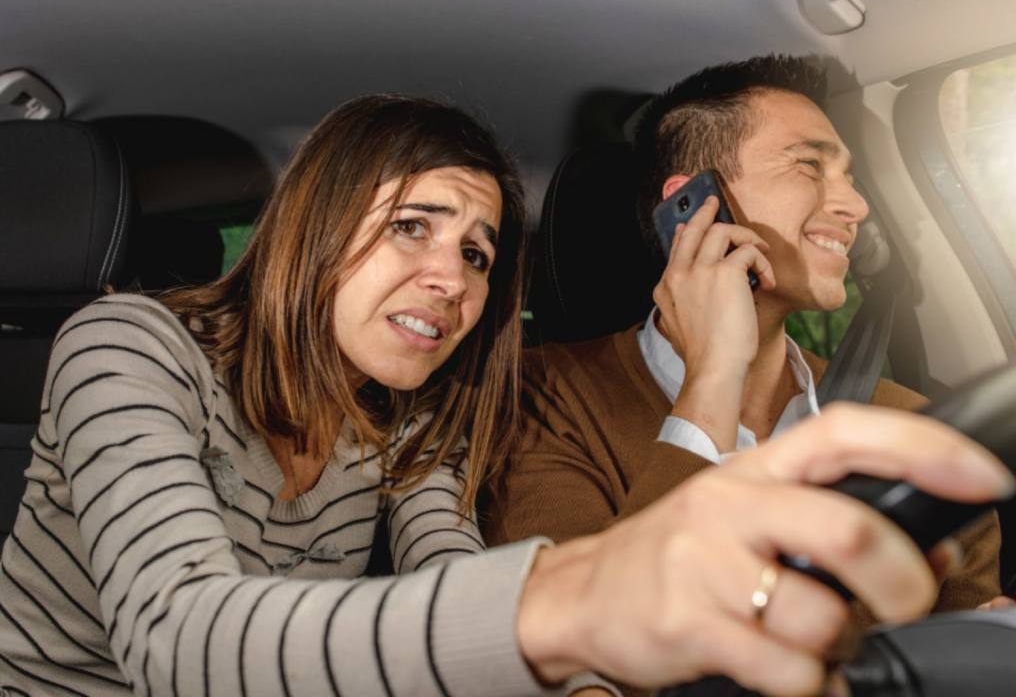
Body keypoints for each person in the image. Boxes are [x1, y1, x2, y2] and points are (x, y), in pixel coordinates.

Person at [0, 93, 1011, 697]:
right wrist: (569, 601)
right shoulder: (124, 345)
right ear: (309, 228)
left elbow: (451, 568)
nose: (453, 279)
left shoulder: (414, 418)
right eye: (411, 227)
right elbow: (178, 644)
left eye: (477, 253)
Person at [484, 55, 1003, 622]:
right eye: (809, 165)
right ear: (696, 205)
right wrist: (712, 377)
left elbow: (964, 643)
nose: (856, 207)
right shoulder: (536, 397)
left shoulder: (912, 426)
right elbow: (589, 638)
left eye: (851, 179)